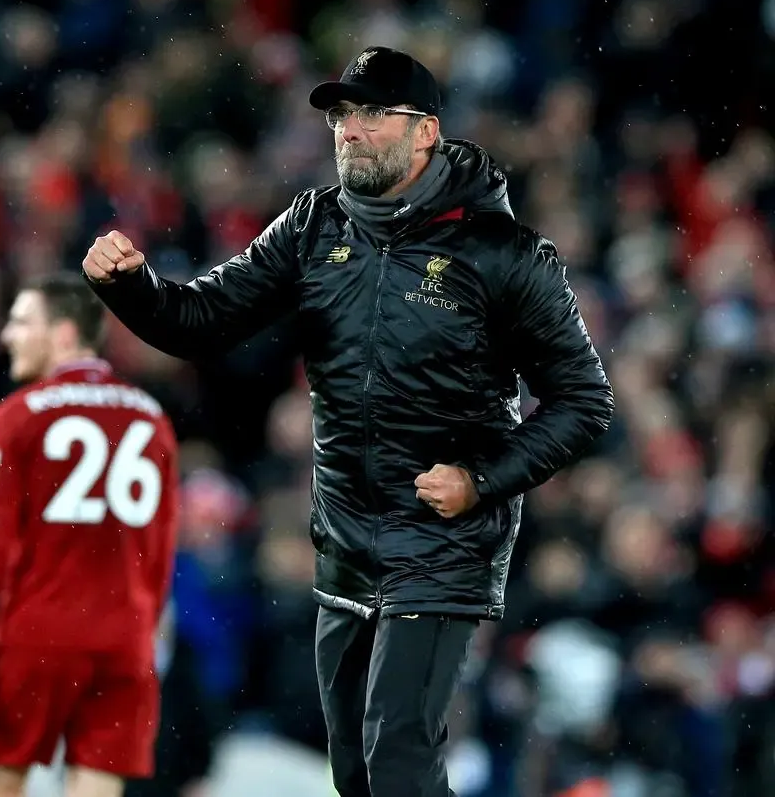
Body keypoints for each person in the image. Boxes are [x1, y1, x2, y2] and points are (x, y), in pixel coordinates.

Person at [83, 46, 615, 796]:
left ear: (425, 131)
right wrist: (132, 286)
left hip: (442, 537)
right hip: (346, 536)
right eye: (341, 113)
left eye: (371, 113)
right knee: (357, 771)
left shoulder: (506, 254)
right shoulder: (312, 225)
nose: (349, 129)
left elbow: (585, 401)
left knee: (398, 758)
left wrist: (481, 480)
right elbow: (201, 320)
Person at [0, 273, 180, 797]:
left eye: (23, 321)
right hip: (125, 641)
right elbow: (161, 553)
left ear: (65, 335)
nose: (8, 335)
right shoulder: (153, 418)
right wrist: (142, 627)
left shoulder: (18, 415)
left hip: (38, 636)